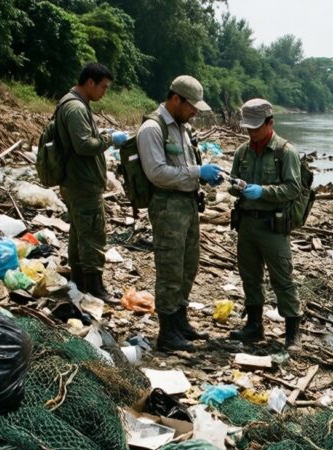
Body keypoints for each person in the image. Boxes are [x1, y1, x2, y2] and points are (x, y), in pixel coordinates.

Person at [138, 75, 223, 352]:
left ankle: (180, 321)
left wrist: (204, 176)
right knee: (170, 268)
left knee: (188, 265)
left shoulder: (183, 128)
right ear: (176, 99)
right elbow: (156, 172)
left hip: (187, 203)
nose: (195, 112)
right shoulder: (153, 128)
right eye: (191, 106)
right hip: (167, 206)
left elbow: (185, 165)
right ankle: (167, 333)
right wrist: (198, 172)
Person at [228, 98, 303, 348]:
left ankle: (292, 332)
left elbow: (293, 188)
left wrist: (263, 191)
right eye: (248, 127)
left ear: (270, 123)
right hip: (247, 224)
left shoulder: (285, 152)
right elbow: (233, 181)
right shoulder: (242, 152)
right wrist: (234, 186)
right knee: (250, 276)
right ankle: (254, 326)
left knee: (282, 278)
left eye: (256, 127)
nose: (251, 132)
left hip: (273, 226)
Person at [56, 62, 127, 304]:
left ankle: (79, 283)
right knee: (93, 234)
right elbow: (83, 145)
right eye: (103, 87)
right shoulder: (76, 107)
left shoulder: (73, 103)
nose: (104, 92)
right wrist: (110, 139)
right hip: (82, 184)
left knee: (79, 233)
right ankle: (96, 288)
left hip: (76, 182)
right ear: (90, 83)